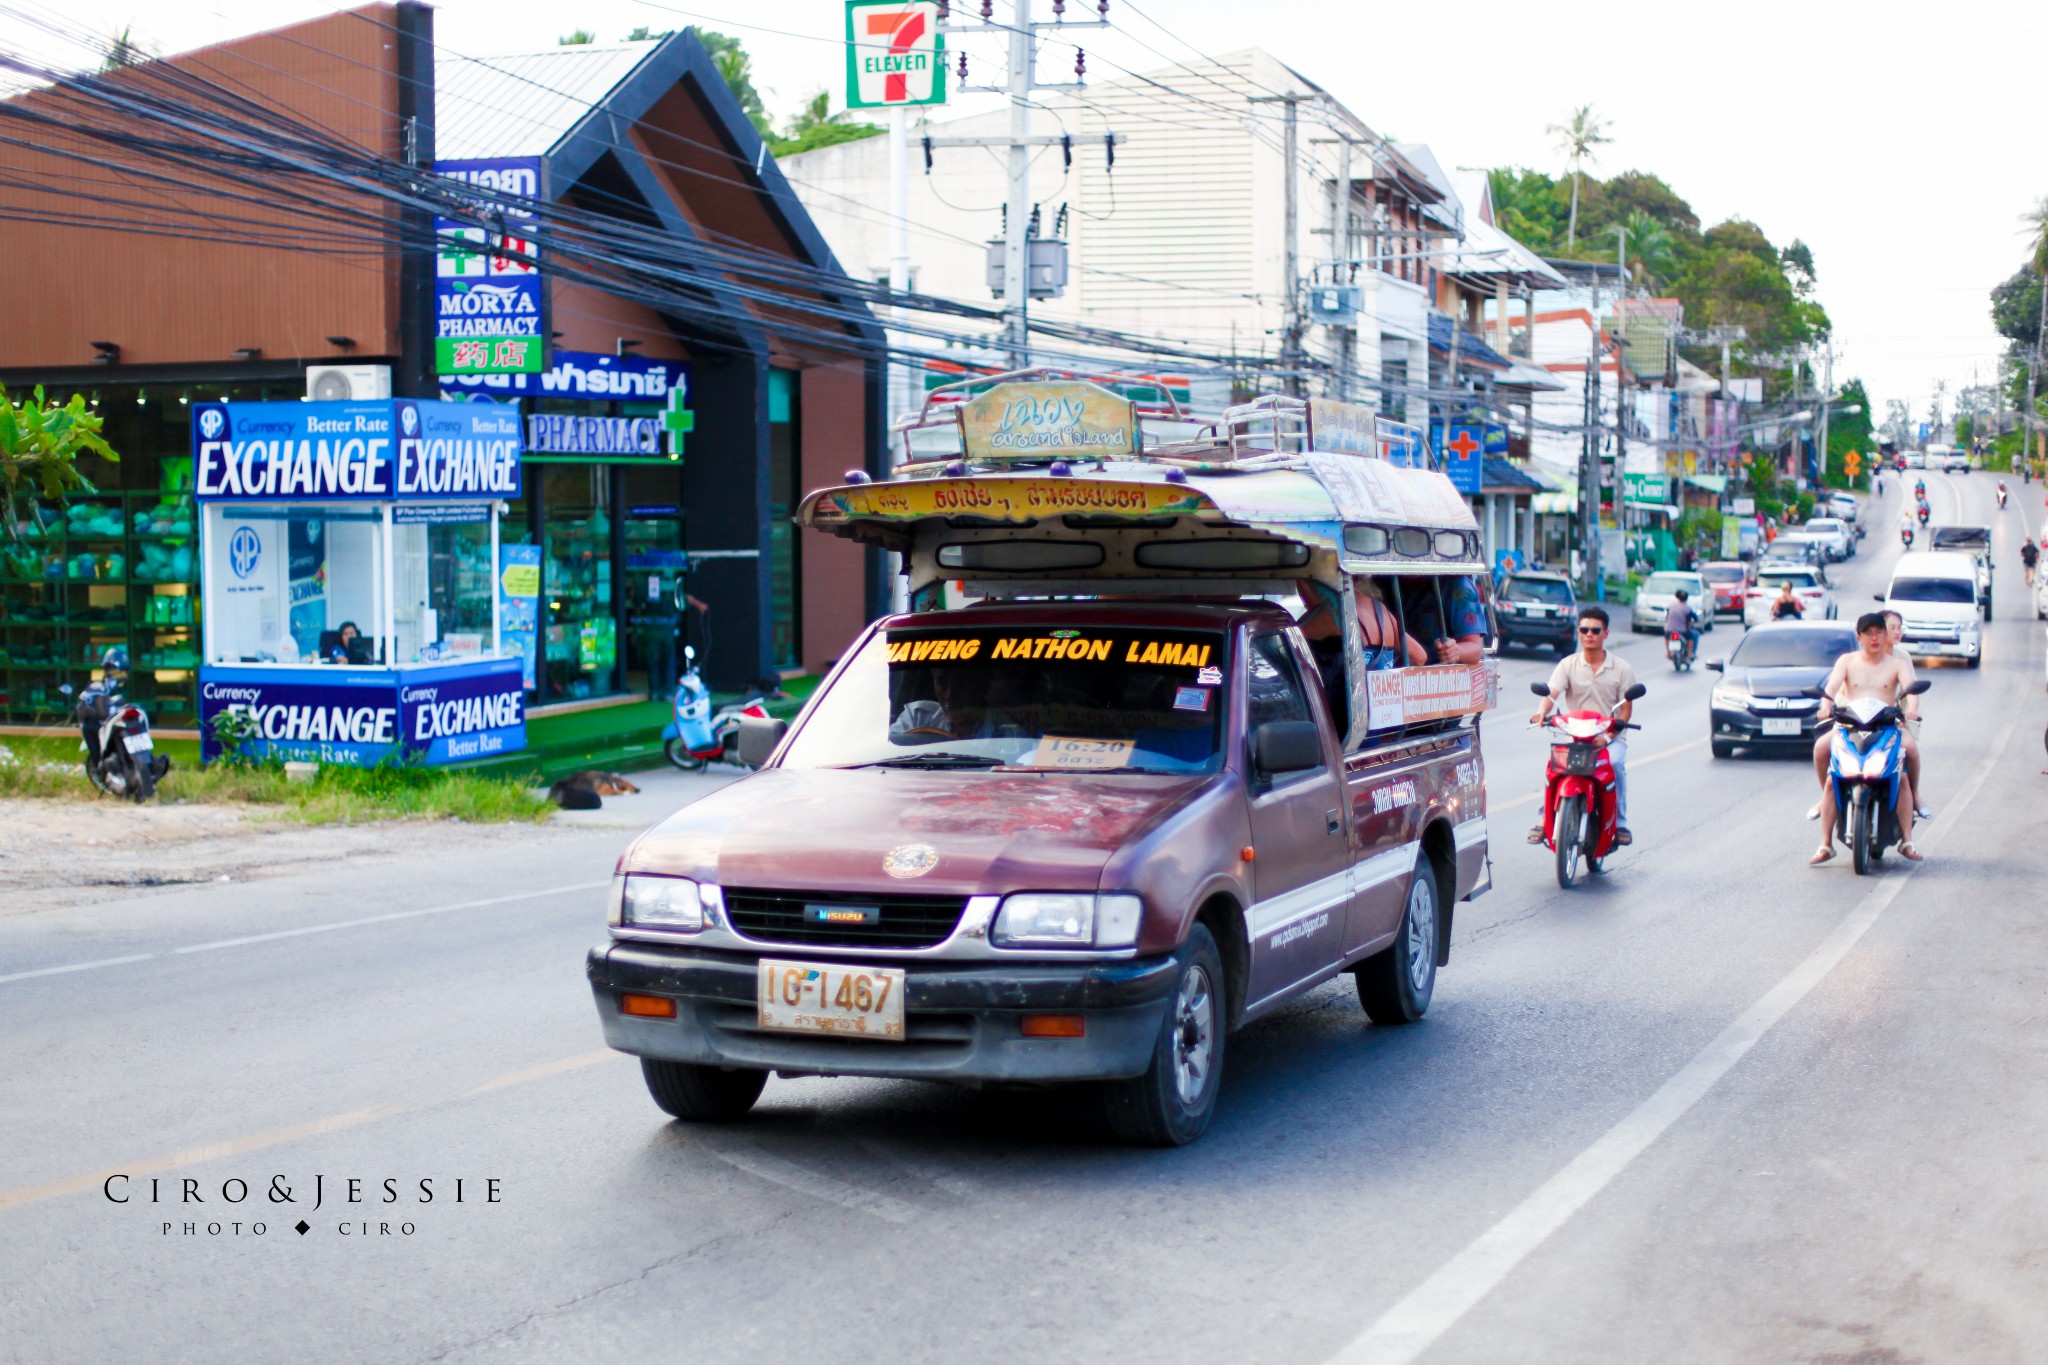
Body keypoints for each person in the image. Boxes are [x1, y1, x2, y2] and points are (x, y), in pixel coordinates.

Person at [1809, 613, 1922, 864]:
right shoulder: (1847, 661)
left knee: (1909, 757)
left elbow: (1911, 689)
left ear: (1885, 636)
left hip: (1886, 726)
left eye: (1879, 632)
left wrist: (1912, 709)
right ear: (1859, 637)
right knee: (1822, 753)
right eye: (1868, 633)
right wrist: (1825, 706)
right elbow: (1830, 690)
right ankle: (1825, 843)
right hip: (1849, 726)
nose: (1875, 638)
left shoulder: (1897, 664)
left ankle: (1908, 835)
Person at [1529, 605, 1639, 847]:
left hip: (1609, 738)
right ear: (1578, 632)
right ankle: (1545, 818)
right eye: (1584, 629)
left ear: (1606, 634)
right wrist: (1541, 712)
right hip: (1576, 737)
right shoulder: (1567, 665)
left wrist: (1609, 736)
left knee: (1616, 763)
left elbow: (1626, 708)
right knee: (1554, 766)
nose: (1589, 634)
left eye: (1595, 630)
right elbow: (1551, 693)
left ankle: (1620, 823)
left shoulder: (1621, 668)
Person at [1295, 577, 1427, 670]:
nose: (1305, 602)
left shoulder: (1331, 616)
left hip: (1343, 708)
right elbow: (1419, 657)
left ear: (1318, 587)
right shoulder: (1380, 609)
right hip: (1382, 706)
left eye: (1303, 594)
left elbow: (1286, 644)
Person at [1664, 588, 1699, 659]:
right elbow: (1695, 618)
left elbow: (1667, 617)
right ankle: (1690, 654)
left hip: (1669, 630)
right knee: (1693, 635)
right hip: (1682, 631)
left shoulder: (1671, 606)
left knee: (1666, 637)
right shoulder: (1687, 608)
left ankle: (1668, 652)